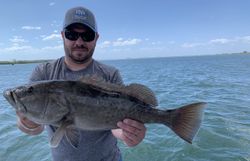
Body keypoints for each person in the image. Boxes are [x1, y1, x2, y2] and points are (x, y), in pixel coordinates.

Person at [15, 6, 146, 161]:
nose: (79, 41)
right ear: (63, 35)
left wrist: (128, 135)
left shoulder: (110, 74)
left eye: (87, 35)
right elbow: (36, 129)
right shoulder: (44, 73)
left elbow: (115, 127)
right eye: (72, 34)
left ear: (96, 38)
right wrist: (27, 122)